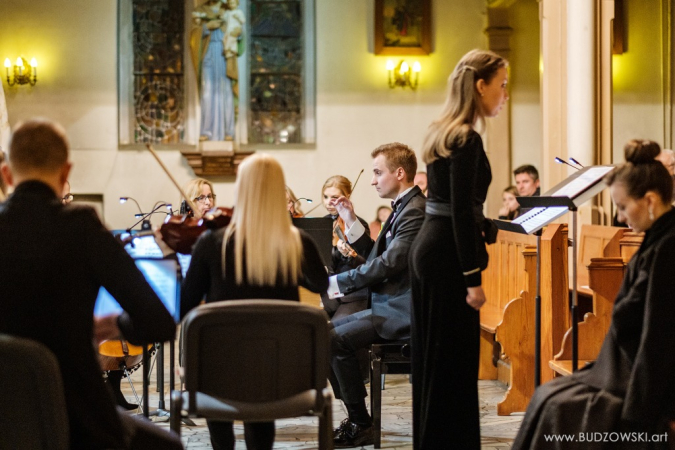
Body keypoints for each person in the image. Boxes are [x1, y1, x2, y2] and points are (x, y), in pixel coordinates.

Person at [0, 119, 181, 449]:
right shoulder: (81, 226)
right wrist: (112, 324)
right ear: (65, 171)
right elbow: (159, 322)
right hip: (79, 419)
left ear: (6, 174)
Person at [513, 139, 675, 450]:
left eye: (623, 206)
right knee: (547, 396)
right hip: (618, 368)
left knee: (556, 408)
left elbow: (659, 339)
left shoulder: (668, 249)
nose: (621, 217)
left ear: (651, 200)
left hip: (639, 387)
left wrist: (637, 416)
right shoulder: (657, 238)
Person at [179, 153, 329, 450]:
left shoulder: (211, 242)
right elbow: (320, 284)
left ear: (240, 189)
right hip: (282, 380)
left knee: (221, 359)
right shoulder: (297, 243)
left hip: (218, 380)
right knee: (262, 364)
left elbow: (184, 307)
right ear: (279, 191)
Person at [410, 49, 509, 450]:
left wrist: (485, 224)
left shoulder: (442, 130)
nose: (504, 94)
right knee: (453, 365)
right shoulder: (466, 137)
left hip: (430, 249)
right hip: (447, 257)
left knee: (435, 364)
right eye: (501, 86)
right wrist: (473, 279)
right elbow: (459, 214)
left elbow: (452, 204)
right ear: (480, 86)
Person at [327, 142, 426, 448]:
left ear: (399, 173)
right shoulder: (404, 207)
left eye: (377, 172)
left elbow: (389, 264)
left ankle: (360, 422)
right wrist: (350, 218)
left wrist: (335, 284)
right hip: (390, 303)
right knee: (325, 334)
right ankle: (357, 417)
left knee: (332, 339)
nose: (372, 180)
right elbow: (376, 257)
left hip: (403, 309)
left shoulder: (415, 212)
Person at [191, 0, 245, 141]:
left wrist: (237, 33)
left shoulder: (229, 8)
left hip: (224, 54)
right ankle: (206, 132)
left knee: (225, 91)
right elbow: (193, 36)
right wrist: (206, 27)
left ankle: (229, 132)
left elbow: (239, 31)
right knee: (207, 92)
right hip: (208, 53)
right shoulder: (201, 10)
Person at [321, 175, 370, 320]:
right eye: (325, 196)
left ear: (346, 196)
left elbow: (367, 261)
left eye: (334, 197)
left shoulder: (358, 224)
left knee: (334, 333)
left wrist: (348, 255)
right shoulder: (322, 224)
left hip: (352, 294)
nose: (329, 202)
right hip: (328, 296)